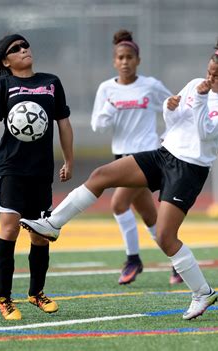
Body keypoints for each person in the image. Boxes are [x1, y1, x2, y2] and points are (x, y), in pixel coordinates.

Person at [21, 30, 218, 320]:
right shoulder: (197, 84)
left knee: (165, 236)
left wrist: (199, 99)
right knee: (101, 175)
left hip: (189, 169)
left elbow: (204, 132)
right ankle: (53, 223)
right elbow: (176, 122)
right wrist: (171, 108)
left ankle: (202, 293)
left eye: (217, 75)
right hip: (163, 153)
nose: (209, 78)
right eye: (208, 71)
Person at [0, 34, 74, 320]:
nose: (24, 50)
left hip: (40, 172)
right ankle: (4, 298)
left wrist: (69, 159)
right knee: (10, 226)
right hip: (9, 168)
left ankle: (36, 293)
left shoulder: (51, 82)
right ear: (6, 60)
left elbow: (63, 123)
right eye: (16, 49)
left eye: (25, 45)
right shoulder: (2, 85)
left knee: (40, 234)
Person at [91, 29, 182, 285]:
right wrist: (110, 108)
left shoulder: (150, 86)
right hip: (122, 156)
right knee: (150, 216)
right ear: (114, 61)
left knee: (118, 204)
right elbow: (97, 124)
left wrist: (167, 137)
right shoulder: (106, 89)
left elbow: (175, 107)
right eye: (120, 57)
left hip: (147, 156)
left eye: (129, 57)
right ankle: (179, 263)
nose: (125, 62)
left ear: (138, 60)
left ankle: (133, 259)